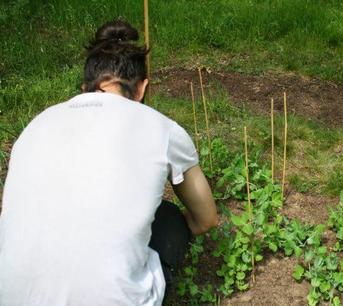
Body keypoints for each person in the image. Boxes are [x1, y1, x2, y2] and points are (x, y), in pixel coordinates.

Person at [0, 19, 217, 306]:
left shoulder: (36, 126)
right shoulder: (162, 128)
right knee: (167, 218)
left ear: (84, 87)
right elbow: (206, 219)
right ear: (141, 89)